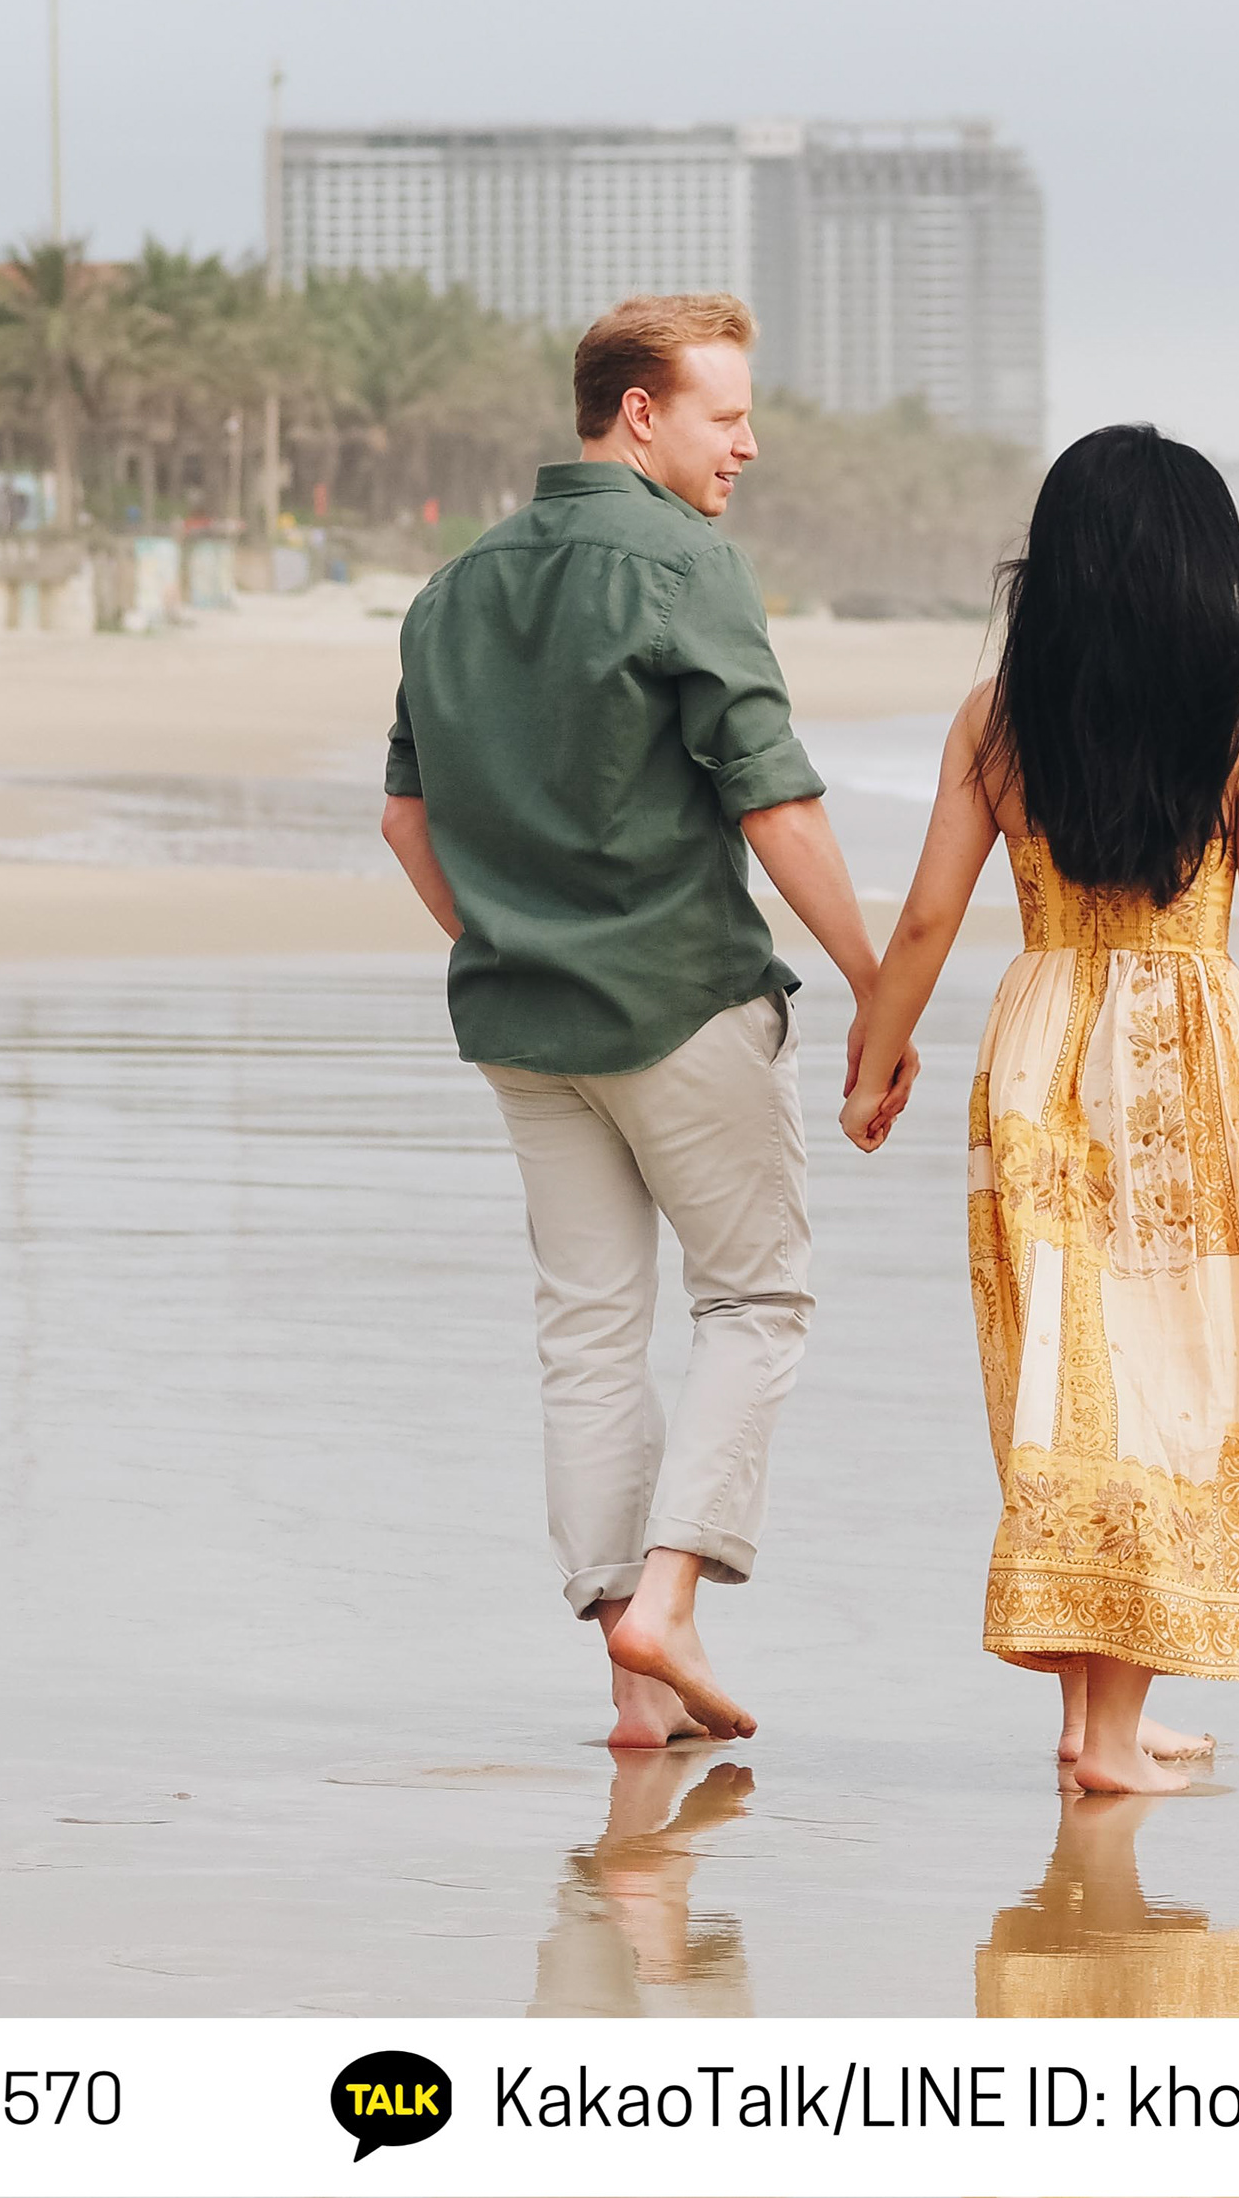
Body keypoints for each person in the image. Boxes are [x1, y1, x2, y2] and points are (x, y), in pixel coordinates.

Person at [842, 424, 1239, 1795]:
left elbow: (924, 917)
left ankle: (1104, 1716)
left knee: (1073, 1383)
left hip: (1042, 1055)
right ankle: (1103, 1737)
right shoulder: (1232, 719)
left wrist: (876, 1058)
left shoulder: (996, 715)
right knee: (1165, 1385)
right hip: (1190, 1063)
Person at [382, 292, 910, 1750]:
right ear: (642, 414)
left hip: (522, 1020)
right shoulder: (686, 565)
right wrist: (879, 984)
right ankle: (668, 1602)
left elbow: (404, 820)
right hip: (679, 1002)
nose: (748, 447)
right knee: (755, 1300)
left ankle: (633, 1694)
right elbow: (777, 804)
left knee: (592, 1333)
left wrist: (511, 940)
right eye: (727, 417)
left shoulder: (454, 587)